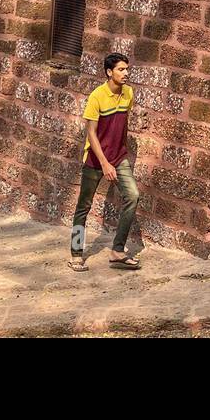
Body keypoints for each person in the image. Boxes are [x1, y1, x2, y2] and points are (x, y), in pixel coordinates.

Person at [69, 52, 141, 270]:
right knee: (84, 206)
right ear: (109, 72)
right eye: (121, 69)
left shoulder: (128, 93)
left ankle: (117, 251)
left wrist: (115, 160)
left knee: (133, 196)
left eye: (127, 69)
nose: (126, 73)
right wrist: (104, 163)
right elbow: (91, 132)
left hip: (119, 158)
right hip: (95, 159)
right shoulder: (97, 96)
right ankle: (75, 253)